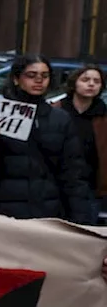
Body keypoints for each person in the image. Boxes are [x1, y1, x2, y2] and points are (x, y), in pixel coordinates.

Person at [0, 54, 96, 224]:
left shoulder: (60, 119)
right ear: (16, 79)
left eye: (45, 76)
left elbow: (73, 174)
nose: (39, 81)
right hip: (1, 215)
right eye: (31, 75)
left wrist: (79, 221)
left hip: (47, 214)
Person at [55, 64, 106, 215]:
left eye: (96, 81)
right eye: (85, 79)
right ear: (74, 82)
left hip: (90, 188)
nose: (91, 84)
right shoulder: (57, 111)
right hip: (56, 185)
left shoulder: (103, 117)